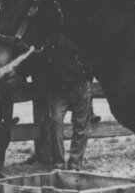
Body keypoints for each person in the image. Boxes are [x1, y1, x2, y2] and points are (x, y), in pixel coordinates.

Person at [35, 34, 93, 170]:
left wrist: (85, 72)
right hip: (59, 90)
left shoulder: (82, 37)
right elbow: (44, 61)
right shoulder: (51, 41)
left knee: (81, 126)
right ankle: (58, 162)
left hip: (80, 87)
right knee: (55, 123)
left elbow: (90, 59)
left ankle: (75, 163)